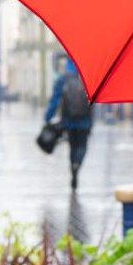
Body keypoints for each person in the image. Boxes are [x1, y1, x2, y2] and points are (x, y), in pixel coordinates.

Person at [44, 57, 93, 190]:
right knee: (82, 147)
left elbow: (54, 100)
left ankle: (73, 167)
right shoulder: (88, 78)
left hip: (68, 122)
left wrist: (47, 118)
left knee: (72, 147)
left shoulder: (63, 79)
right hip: (85, 122)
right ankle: (77, 164)